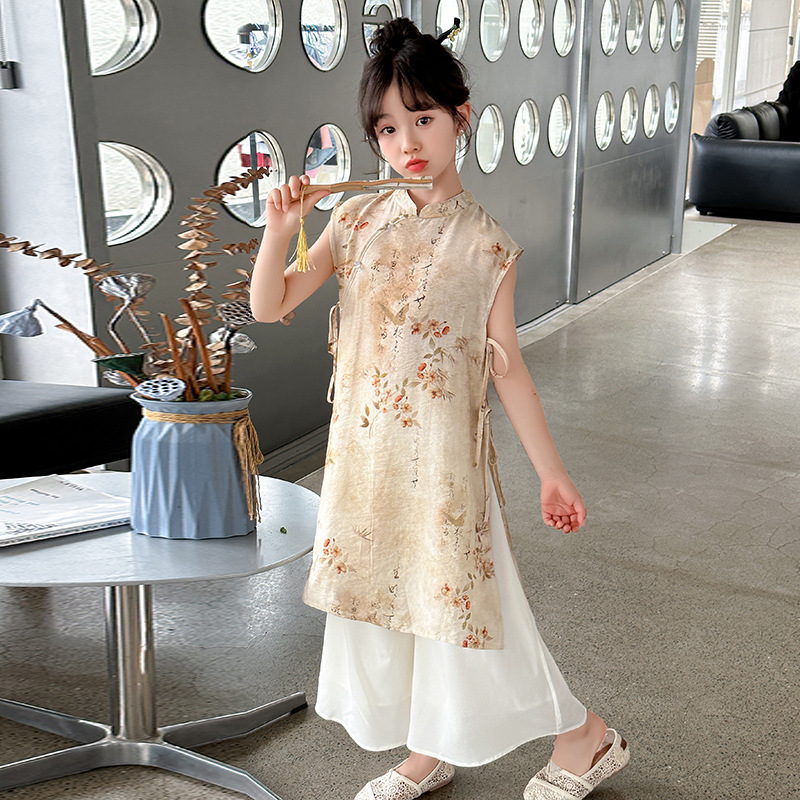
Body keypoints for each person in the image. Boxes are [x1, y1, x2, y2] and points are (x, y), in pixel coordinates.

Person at [250, 16, 629, 800]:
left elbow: (507, 370)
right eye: (388, 128)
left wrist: (551, 475)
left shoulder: (488, 246)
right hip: (364, 458)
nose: (406, 143)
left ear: (461, 116)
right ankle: (429, 751)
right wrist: (280, 229)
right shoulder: (352, 219)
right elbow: (270, 304)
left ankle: (584, 735)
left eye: (422, 119)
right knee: (393, 607)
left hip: (448, 463)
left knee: (471, 611)